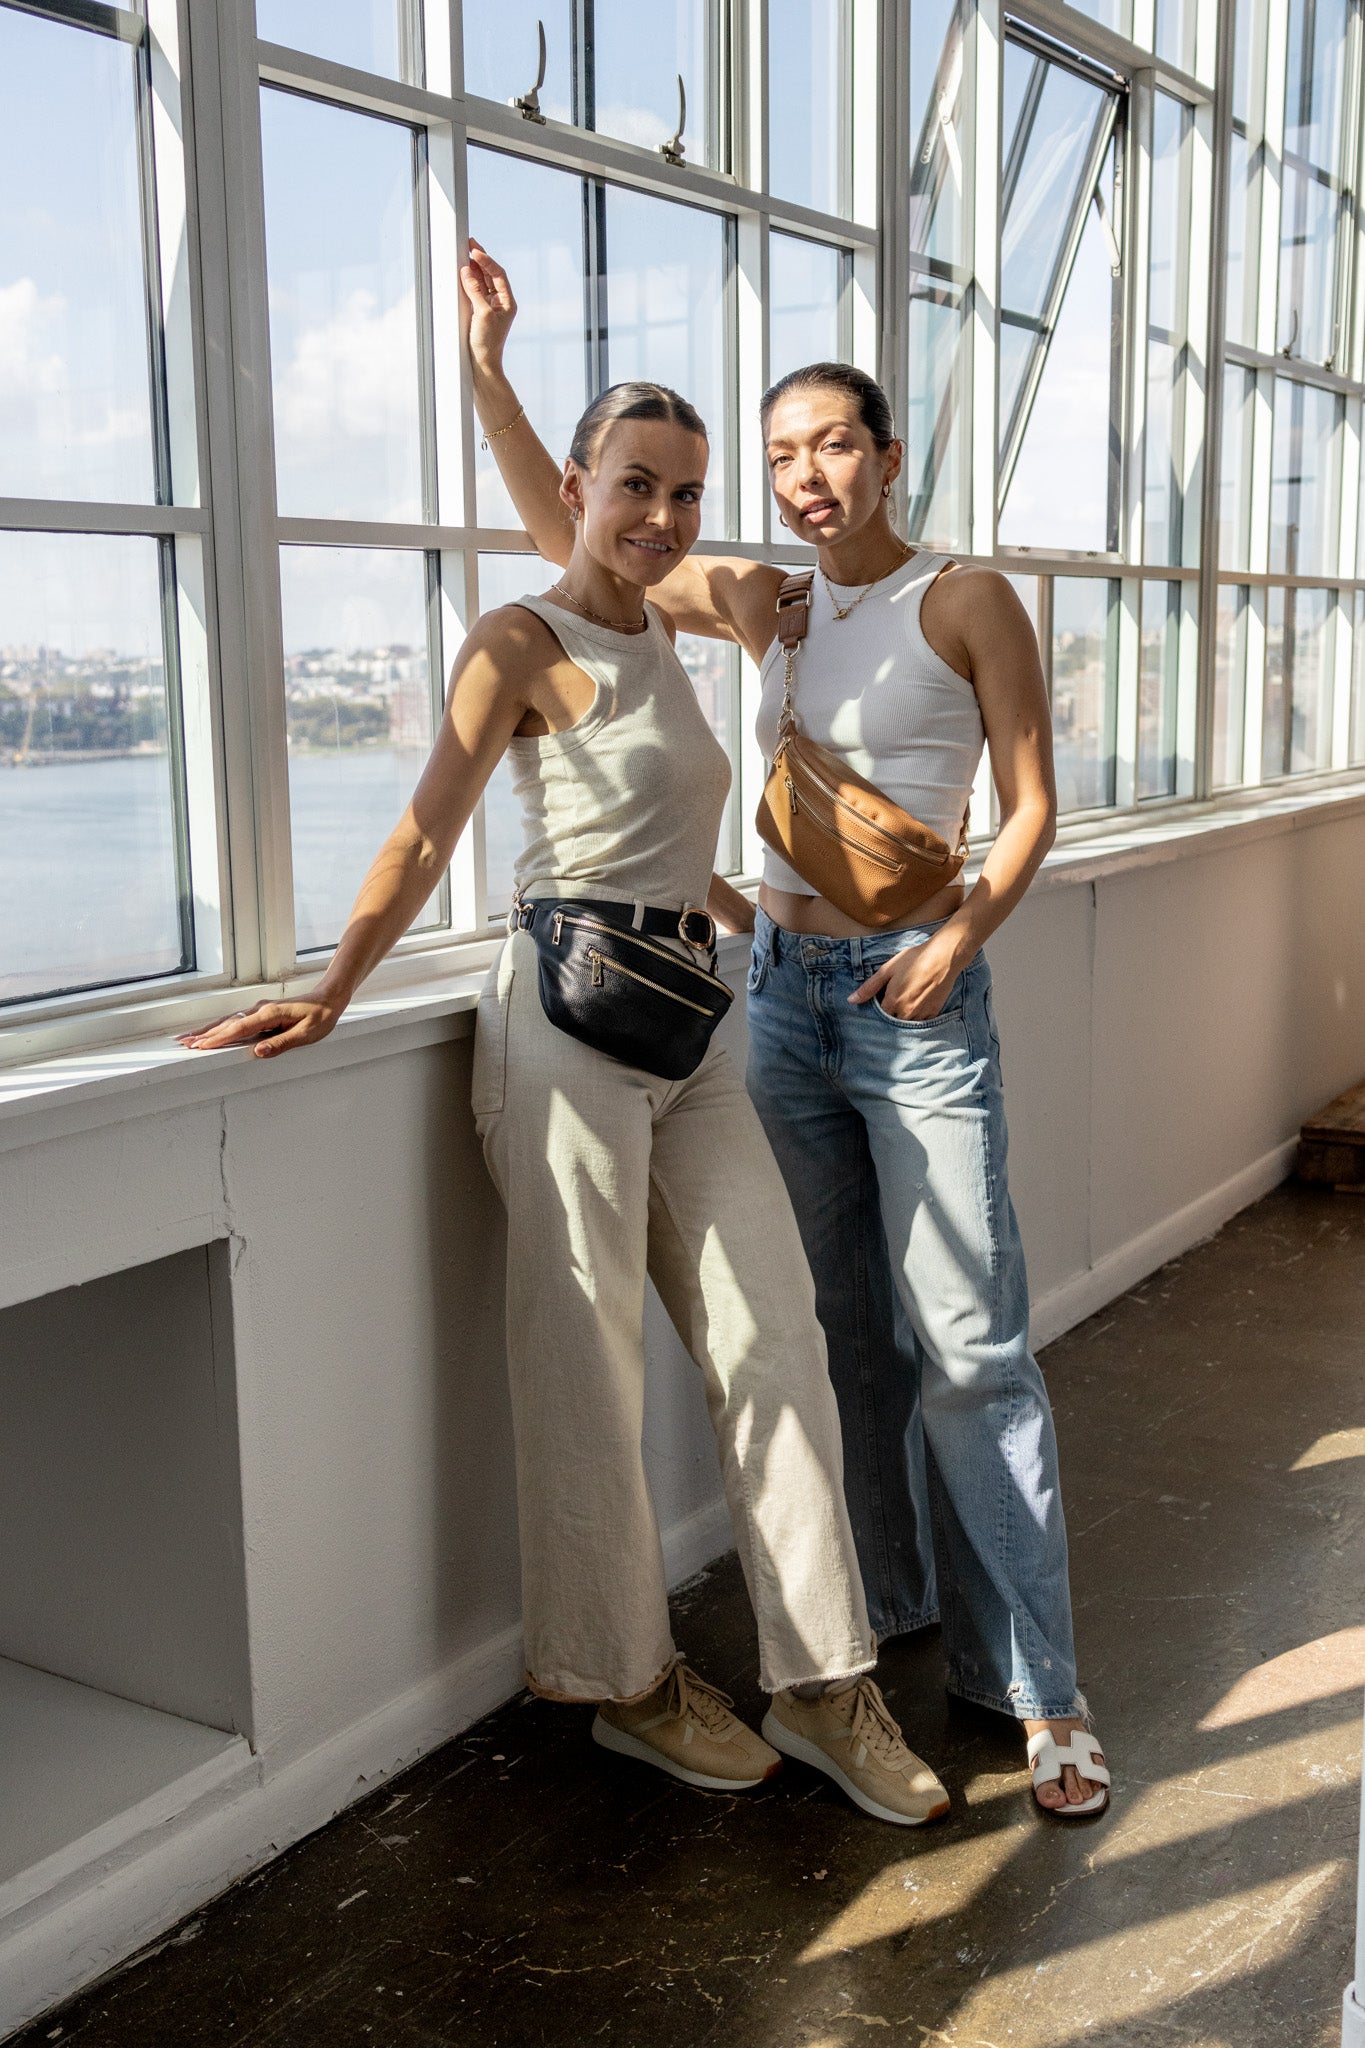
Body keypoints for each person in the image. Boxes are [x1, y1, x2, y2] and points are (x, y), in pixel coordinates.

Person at [180, 370, 952, 1828]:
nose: (659, 515)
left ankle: (820, 1685)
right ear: (582, 488)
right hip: (563, 1029)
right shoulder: (517, 640)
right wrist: (333, 986)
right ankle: (628, 1688)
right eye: (632, 484)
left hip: (695, 1025)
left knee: (773, 1341)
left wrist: (751, 916)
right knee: (583, 1365)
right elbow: (424, 834)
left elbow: (663, 826)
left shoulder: (666, 619)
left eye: (684, 490)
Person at [464, 240, 1109, 1817]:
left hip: (918, 997)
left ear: (886, 455)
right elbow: (580, 536)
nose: (804, 477)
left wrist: (958, 931)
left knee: (969, 1346)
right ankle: (883, 1633)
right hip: (780, 1012)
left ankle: (1036, 1690)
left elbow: (1026, 808)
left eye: (831, 445)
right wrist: (488, 373)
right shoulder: (767, 607)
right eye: (777, 457)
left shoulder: (964, 598)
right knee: (839, 1350)